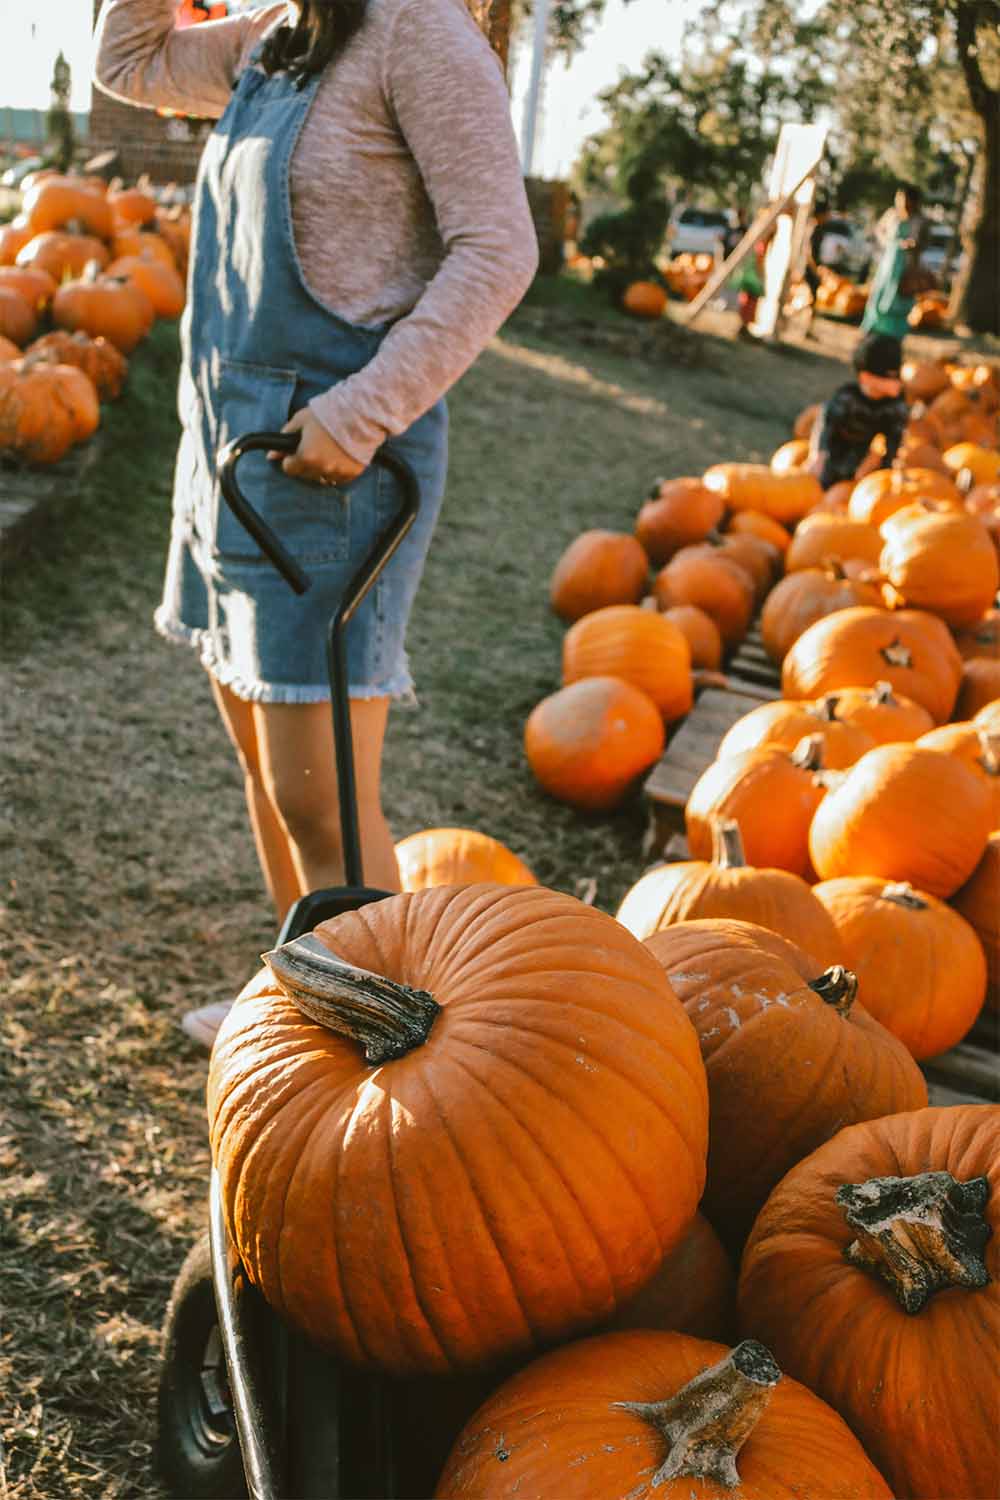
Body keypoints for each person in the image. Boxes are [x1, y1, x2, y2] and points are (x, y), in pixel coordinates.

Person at [94, 0, 538, 1045]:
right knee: (265, 761)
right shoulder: (280, 31)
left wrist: (363, 410)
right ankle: (309, 996)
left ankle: (386, 1061)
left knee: (323, 799)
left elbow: (497, 249)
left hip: (329, 459)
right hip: (227, 448)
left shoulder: (419, 32)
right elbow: (131, 59)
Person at [807, 332, 908, 491]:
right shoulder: (847, 398)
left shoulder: (895, 406)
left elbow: (894, 441)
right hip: (835, 456)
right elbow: (827, 425)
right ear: (866, 377)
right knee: (823, 485)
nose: (898, 383)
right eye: (889, 377)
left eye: (898, 376)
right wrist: (818, 455)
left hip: (863, 459)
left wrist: (886, 472)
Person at [860, 183, 929, 339]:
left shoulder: (921, 220)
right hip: (889, 263)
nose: (901, 202)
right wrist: (890, 243)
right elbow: (879, 231)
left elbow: (924, 243)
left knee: (900, 299)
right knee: (880, 295)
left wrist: (913, 246)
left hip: (907, 266)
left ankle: (893, 335)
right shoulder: (892, 214)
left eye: (904, 198)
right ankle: (873, 330)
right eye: (899, 198)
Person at [802, 196, 831, 332]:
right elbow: (809, 253)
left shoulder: (816, 228)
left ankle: (808, 329)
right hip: (809, 269)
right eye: (827, 213)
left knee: (811, 300)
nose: (829, 216)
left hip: (811, 268)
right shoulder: (815, 229)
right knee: (808, 299)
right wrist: (816, 270)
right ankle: (805, 327)